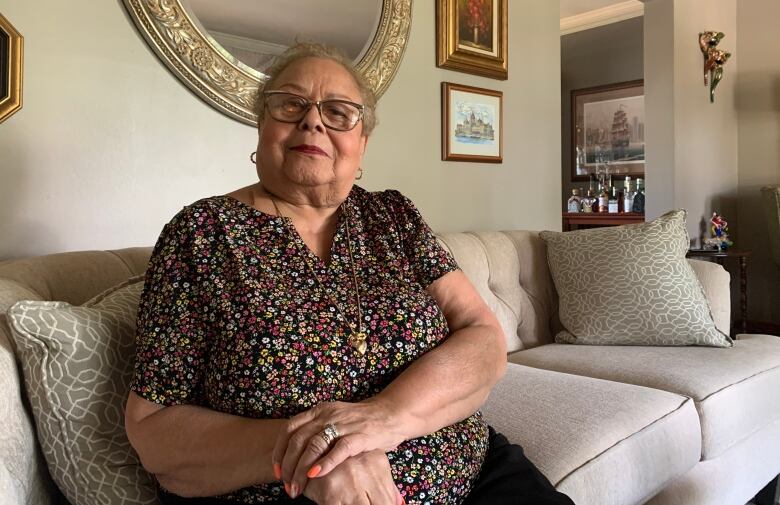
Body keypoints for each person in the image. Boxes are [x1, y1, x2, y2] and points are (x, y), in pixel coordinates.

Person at [126, 43, 574, 505]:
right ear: (262, 125)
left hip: (474, 471)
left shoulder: (393, 216)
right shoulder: (202, 232)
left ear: (362, 144)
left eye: (339, 112)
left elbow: (482, 335)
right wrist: (312, 452)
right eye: (290, 104)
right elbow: (152, 429)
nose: (313, 121)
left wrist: (386, 418)